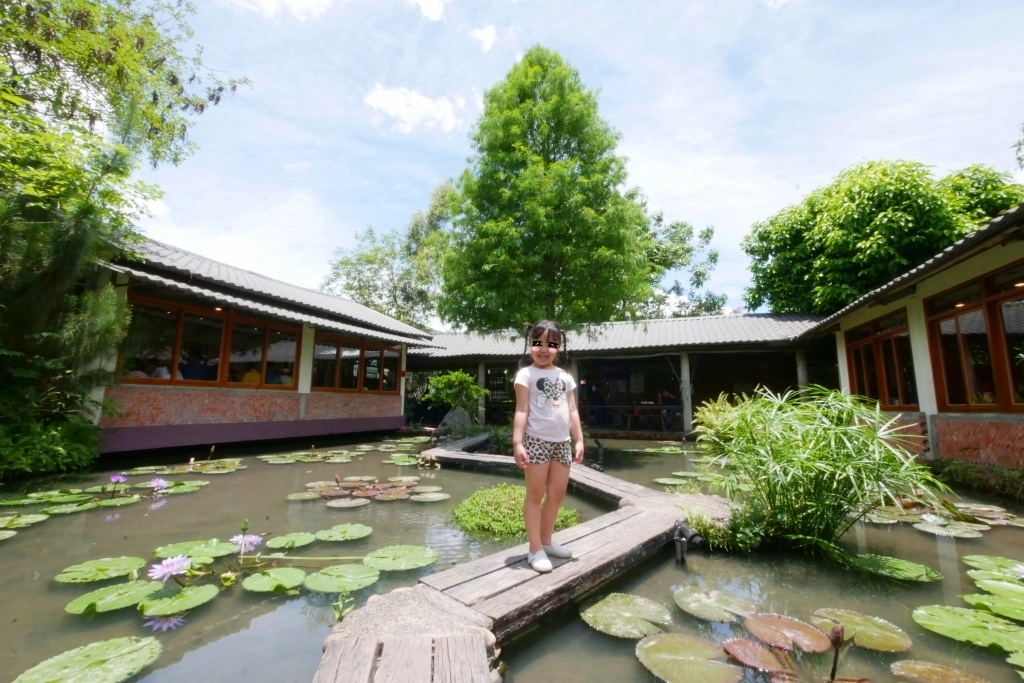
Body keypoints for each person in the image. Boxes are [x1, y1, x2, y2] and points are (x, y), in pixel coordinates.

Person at [512, 320, 584, 573]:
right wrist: (517, 442)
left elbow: (572, 410)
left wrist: (579, 439)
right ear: (530, 344)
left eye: (551, 344)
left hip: (562, 443)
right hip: (536, 441)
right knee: (535, 494)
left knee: (556, 494)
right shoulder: (526, 374)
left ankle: (546, 540)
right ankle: (534, 549)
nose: (543, 349)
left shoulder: (565, 377)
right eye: (538, 343)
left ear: (559, 346)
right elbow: (522, 409)